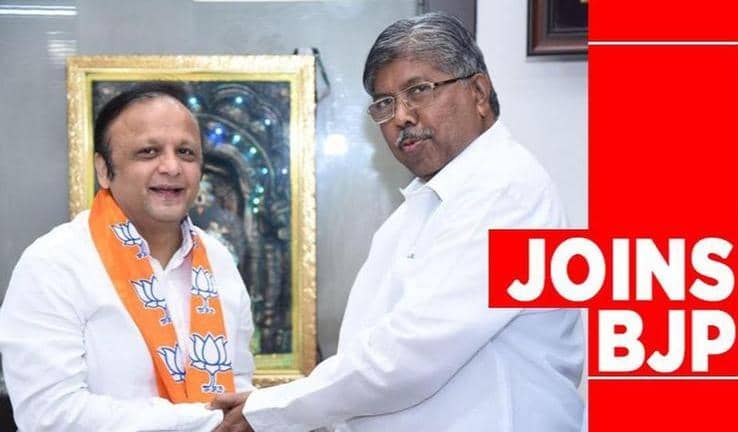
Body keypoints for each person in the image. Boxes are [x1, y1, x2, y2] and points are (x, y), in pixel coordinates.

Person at [212, 12, 584, 431]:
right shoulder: (416, 209)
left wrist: (272, 409)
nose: (401, 117)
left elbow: (414, 353)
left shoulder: (505, 190)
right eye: (385, 103)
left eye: (418, 91)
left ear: (479, 93)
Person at [0, 82, 255, 431]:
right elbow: (50, 416)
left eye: (186, 152)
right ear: (104, 170)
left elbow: (236, 386)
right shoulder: (54, 263)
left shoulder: (219, 260)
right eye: (149, 152)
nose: (172, 167)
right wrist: (202, 421)